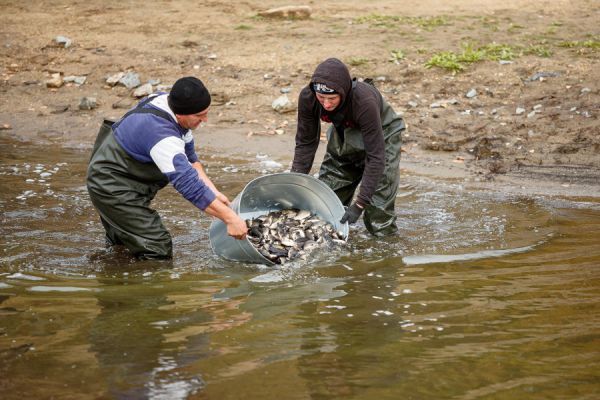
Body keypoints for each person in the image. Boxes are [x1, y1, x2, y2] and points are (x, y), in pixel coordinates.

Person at [87, 76, 247, 259]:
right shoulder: (162, 136)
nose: (206, 120)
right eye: (199, 116)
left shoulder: (169, 103)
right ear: (180, 115)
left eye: (206, 112)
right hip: (111, 186)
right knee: (156, 247)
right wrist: (230, 218)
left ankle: (116, 269)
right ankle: (143, 284)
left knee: (123, 244)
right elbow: (188, 185)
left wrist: (213, 193)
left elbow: (191, 160)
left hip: (122, 179)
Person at [291, 58, 405, 236]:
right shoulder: (308, 97)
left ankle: (387, 253)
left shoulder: (364, 101)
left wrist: (359, 205)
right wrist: (294, 183)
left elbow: (376, 157)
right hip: (344, 133)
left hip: (382, 135)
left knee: (377, 216)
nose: (326, 104)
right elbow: (306, 142)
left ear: (343, 93)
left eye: (332, 98)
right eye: (321, 98)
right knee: (324, 206)